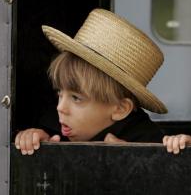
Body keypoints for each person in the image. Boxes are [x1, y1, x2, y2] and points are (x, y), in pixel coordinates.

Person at [15, 8, 168, 155]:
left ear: (120, 108)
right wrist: (34, 140)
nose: (60, 108)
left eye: (76, 98)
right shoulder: (54, 127)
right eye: (59, 94)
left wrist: (130, 160)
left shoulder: (148, 144)